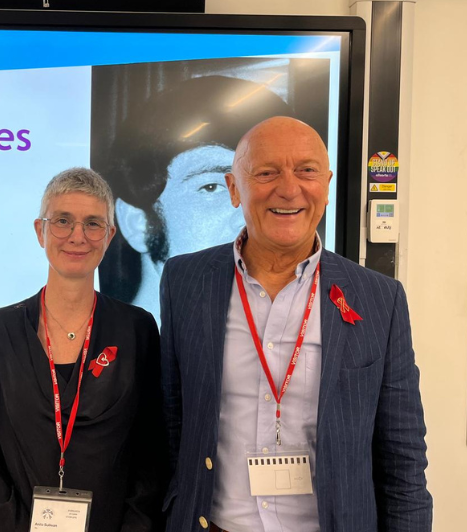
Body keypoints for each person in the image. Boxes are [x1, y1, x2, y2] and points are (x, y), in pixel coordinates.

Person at [160, 117, 432, 531]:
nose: (289, 189)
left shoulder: (379, 298)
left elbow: (403, 457)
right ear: (234, 189)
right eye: (266, 173)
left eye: (306, 171)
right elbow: (170, 423)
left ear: (326, 185)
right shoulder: (185, 282)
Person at [0, 167, 167, 532]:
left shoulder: (137, 329)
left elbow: (151, 450)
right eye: (62, 221)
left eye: (93, 224)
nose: (78, 236)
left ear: (110, 235)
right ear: (40, 231)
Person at [95, 75, 296, 322]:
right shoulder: (97, 343)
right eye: (211, 188)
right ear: (138, 224)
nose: (250, 217)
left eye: (266, 183)